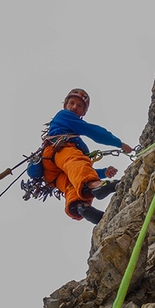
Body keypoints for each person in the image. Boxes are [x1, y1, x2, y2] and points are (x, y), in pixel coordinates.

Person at [41, 88, 133, 224]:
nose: (74, 107)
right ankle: (95, 185)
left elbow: (77, 171)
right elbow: (92, 131)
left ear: (83, 112)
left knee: (72, 185)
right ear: (65, 105)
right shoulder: (63, 116)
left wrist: (103, 172)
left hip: (52, 173)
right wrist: (119, 144)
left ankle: (81, 207)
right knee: (77, 160)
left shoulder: (68, 134)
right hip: (59, 150)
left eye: (79, 106)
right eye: (72, 103)